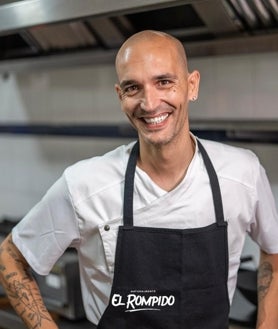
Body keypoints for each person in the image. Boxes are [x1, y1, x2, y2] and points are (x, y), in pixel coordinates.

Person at [0, 30, 278, 329]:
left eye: (164, 82)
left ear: (191, 85)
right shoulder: (85, 184)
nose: (149, 102)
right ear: (120, 97)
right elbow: (10, 256)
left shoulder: (242, 171)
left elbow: (273, 250)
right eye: (134, 87)